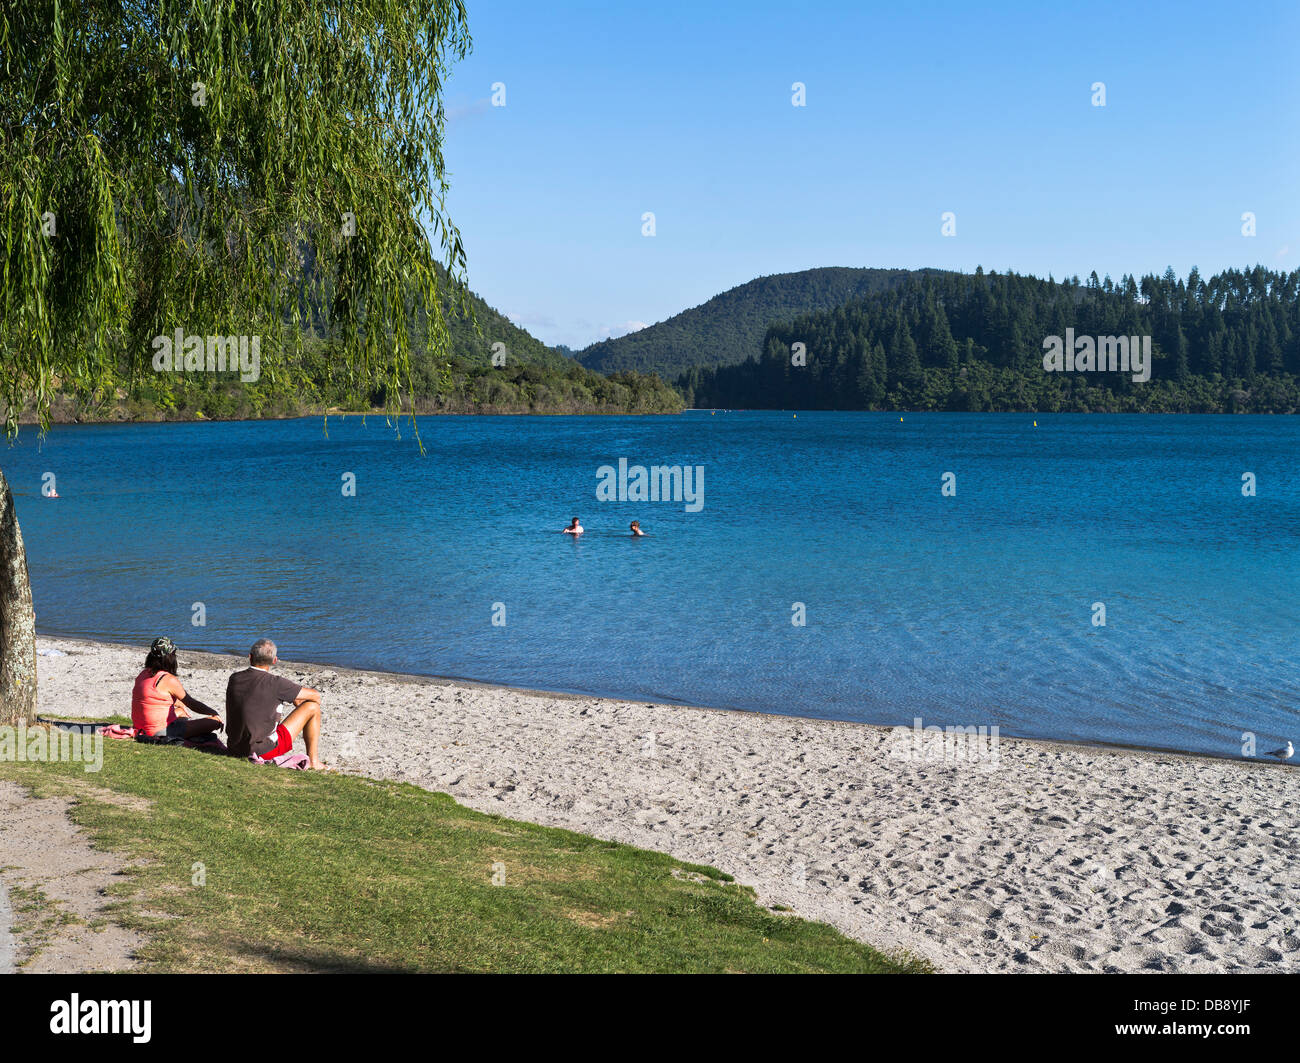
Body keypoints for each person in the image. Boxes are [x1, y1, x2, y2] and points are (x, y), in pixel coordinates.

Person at [225, 638, 325, 769]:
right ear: (274, 661)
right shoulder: (276, 683)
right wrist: (300, 707)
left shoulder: (235, 678)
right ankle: (314, 761)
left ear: (250, 657)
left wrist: (294, 698)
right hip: (263, 751)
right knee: (312, 707)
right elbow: (315, 695)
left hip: (235, 747)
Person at [130, 637, 224, 740]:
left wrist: (179, 703)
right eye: (174, 654)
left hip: (140, 728)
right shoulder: (168, 679)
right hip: (161, 731)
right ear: (169, 657)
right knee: (216, 721)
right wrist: (214, 713)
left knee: (182, 710)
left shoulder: (143, 674)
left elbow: (151, 697)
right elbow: (192, 704)